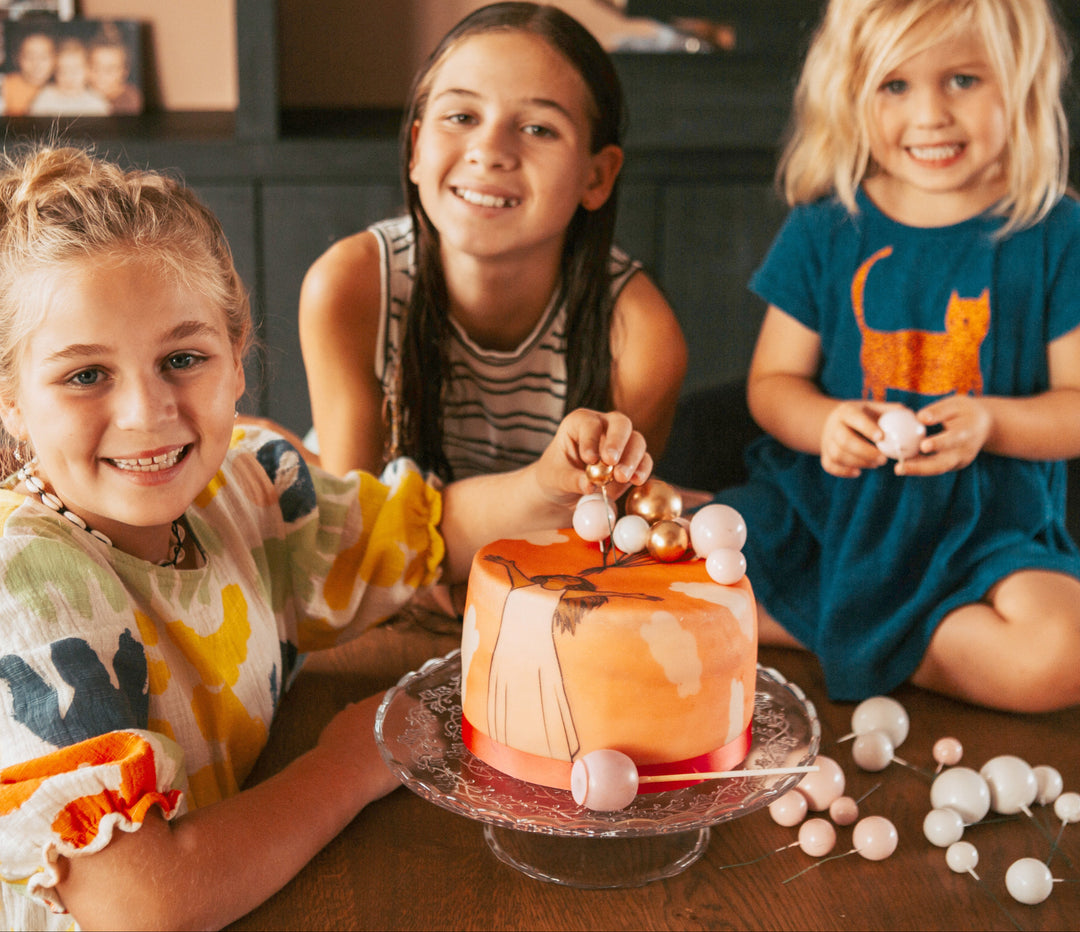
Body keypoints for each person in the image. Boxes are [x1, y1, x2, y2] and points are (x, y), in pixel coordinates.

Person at [0, 144, 653, 931]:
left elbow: (427, 529)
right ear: (10, 403)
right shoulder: (27, 582)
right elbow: (146, 903)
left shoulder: (242, 489)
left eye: (183, 358)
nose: (146, 412)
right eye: (84, 375)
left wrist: (549, 484)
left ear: (238, 363)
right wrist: (349, 764)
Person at [712, 0, 1080, 713]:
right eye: (895, 85)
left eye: (964, 80)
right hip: (833, 514)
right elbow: (772, 384)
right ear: (850, 94)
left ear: (1023, 81)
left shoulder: (1057, 230)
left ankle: (834, 625)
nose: (931, 115)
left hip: (987, 526)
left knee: (1061, 655)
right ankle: (869, 624)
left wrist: (992, 424)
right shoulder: (826, 223)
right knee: (678, 571)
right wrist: (824, 424)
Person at [299, 2, 686, 482]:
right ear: (417, 149)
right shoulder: (349, 286)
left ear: (598, 176)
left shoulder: (640, 337)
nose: (489, 151)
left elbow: (594, 533)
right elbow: (354, 529)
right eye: (461, 117)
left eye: (538, 128)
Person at [28, 37, 109, 117]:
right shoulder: (45, 97)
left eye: (75, 70)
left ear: (87, 71)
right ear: (55, 72)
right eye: (63, 71)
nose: (69, 77)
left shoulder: (96, 103)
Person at [87, 25, 143, 115]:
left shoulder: (132, 101)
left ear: (125, 72)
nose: (101, 75)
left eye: (109, 70)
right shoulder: (82, 94)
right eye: (95, 68)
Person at [2, 30, 55, 116]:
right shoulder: (6, 85)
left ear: (54, 59)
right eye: (29, 56)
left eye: (43, 57)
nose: (36, 63)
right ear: (17, 58)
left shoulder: (62, 86)